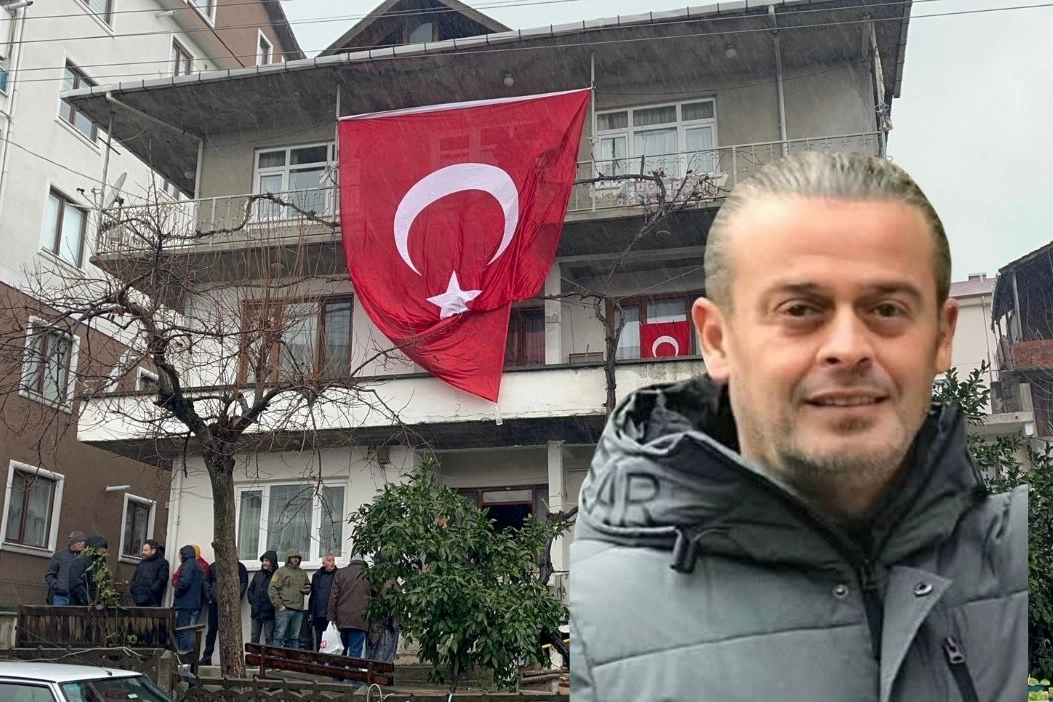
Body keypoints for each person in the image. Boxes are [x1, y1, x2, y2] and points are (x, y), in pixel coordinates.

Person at [569, 152, 1026, 702]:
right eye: (800, 310)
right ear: (717, 341)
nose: (848, 349)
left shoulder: (1023, 560)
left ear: (941, 337)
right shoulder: (608, 615)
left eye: (886, 308)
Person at [199, 556, 248, 665]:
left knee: (230, 632)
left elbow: (243, 583)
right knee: (212, 631)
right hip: (214, 603)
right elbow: (206, 582)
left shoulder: (239, 567)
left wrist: (236, 597)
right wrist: (210, 598)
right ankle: (207, 656)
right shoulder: (213, 566)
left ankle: (230, 658)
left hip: (230, 605)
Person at [327, 553, 370, 658]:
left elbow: (333, 597)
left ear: (350, 560)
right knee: (355, 652)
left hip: (341, 619)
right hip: (360, 619)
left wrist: (331, 617)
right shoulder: (368, 574)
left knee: (340, 650)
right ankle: (353, 669)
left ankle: (339, 669)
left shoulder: (340, 573)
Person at [268, 549, 310, 649]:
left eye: (297, 558)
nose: (295, 559)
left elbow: (307, 584)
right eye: (293, 557)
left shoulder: (302, 573)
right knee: (279, 635)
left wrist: (307, 589)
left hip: (298, 610)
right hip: (284, 609)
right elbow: (272, 589)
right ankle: (276, 656)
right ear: (288, 558)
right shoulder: (280, 572)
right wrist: (279, 605)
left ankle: (293, 658)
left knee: (295, 637)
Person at [173, 545, 204, 654]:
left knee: (183, 630)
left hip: (186, 603)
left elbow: (184, 582)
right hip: (195, 602)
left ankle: (183, 653)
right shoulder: (197, 565)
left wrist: (176, 592)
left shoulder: (188, 565)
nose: (179, 557)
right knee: (191, 630)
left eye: (179, 555)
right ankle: (190, 654)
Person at [307, 553, 338, 651]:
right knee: (319, 640)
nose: (332, 563)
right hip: (319, 614)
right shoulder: (317, 576)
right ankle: (319, 658)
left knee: (333, 640)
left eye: (333, 560)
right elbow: (313, 595)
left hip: (332, 614)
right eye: (329, 560)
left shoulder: (338, 575)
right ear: (323, 563)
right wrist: (310, 612)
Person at [247, 550, 278, 645]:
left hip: (269, 611)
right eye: (263, 560)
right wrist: (253, 601)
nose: (264, 563)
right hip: (256, 611)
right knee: (254, 636)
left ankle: (268, 655)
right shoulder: (258, 574)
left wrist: (272, 604)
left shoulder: (276, 575)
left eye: (267, 561)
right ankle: (253, 654)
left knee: (269, 637)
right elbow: (250, 589)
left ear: (272, 562)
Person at [45, 531, 85, 605]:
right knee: (58, 613)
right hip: (59, 596)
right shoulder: (59, 556)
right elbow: (49, 575)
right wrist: (57, 586)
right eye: (80, 541)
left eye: (83, 541)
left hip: (77, 598)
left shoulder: (84, 557)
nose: (83, 543)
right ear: (73, 543)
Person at [67, 535, 108, 606]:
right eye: (101, 547)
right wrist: (88, 601)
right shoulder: (80, 561)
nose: (104, 550)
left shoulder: (100, 561)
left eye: (104, 547)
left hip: (95, 602)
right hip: (79, 603)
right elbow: (75, 583)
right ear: (94, 546)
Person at [129, 539, 170, 607]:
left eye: (145, 550)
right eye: (143, 550)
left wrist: (153, 590)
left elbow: (162, 579)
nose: (143, 552)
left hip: (152, 602)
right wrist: (132, 588)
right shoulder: (141, 563)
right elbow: (134, 578)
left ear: (153, 550)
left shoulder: (162, 563)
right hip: (138, 600)